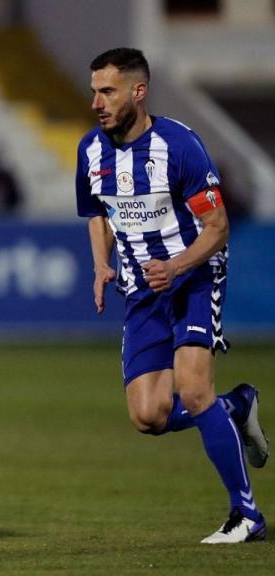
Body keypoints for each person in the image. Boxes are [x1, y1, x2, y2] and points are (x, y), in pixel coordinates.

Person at [76, 47, 269, 544]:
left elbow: (218, 227)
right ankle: (236, 408)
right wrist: (101, 263)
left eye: (107, 91)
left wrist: (178, 265)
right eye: (95, 90)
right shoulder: (90, 151)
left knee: (194, 388)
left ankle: (246, 516)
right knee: (148, 415)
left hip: (194, 274)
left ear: (138, 93)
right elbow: (96, 211)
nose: (97, 101)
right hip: (143, 288)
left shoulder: (180, 147)